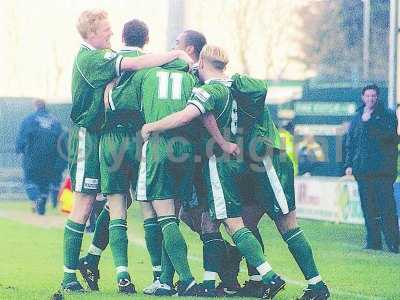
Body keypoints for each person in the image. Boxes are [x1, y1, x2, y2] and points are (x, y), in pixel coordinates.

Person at [60, 9, 193, 294]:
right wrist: (175, 55)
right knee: (84, 202)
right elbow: (135, 63)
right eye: (106, 29)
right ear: (92, 32)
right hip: (89, 134)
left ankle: (93, 259)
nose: (110, 33)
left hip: (106, 136)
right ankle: (69, 277)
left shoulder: (103, 54)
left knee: (119, 200)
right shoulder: (91, 57)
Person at [142, 45, 286, 299]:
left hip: (218, 165)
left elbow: (187, 116)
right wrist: (223, 141)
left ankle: (270, 277)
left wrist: (151, 126)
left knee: (232, 224)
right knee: (216, 221)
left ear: (201, 61)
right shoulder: (230, 87)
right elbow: (208, 118)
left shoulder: (209, 89)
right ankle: (212, 282)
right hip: (229, 159)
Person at [345, 84, 399, 253]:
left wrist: (369, 124)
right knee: (368, 208)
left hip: (382, 171)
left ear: (378, 97)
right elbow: (351, 143)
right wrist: (349, 164)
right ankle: (373, 241)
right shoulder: (357, 117)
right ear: (363, 97)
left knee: (387, 208)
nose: (370, 99)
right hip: (363, 171)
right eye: (367, 96)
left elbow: (390, 138)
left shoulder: (387, 115)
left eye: (373, 96)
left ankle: (394, 243)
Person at [16, 99, 63, 215]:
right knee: (44, 183)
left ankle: (36, 198)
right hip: (51, 160)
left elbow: (22, 138)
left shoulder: (29, 120)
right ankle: (41, 208)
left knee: (29, 180)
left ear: (35, 106)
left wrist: (19, 149)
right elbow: (61, 142)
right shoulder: (55, 122)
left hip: (32, 158)